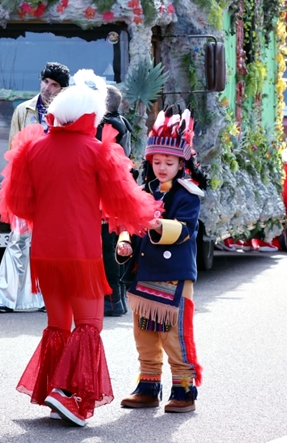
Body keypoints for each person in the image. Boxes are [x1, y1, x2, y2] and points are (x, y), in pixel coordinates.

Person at [0, 70, 160, 427]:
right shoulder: (97, 149)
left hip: (45, 249)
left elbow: (19, 204)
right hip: (81, 250)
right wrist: (151, 214)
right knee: (89, 323)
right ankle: (71, 395)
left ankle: (56, 392)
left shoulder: (32, 148)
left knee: (58, 324)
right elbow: (126, 204)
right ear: (90, 114)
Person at [116, 106, 205, 414]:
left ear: (182, 162)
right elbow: (128, 225)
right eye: (157, 161)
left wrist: (157, 226)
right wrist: (125, 243)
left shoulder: (187, 194)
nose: (162, 167)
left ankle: (183, 388)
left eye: (169, 162)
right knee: (144, 334)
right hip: (145, 274)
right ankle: (148, 385)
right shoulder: (144, 190)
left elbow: (186, 229)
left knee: (174, 335)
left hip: (173, 274)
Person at [0, 62, 70, 313]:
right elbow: (12, 150)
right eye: (45, 82)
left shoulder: (67, 114)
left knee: (48, 244)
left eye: (54, 85)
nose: (48, 88)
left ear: (62, 90)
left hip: (55, 189)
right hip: (25, 185)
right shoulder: (22, 110)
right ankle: (4, 299)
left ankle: (44, 298)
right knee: (17, 240)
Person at [96, 85, 133, 317]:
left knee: (107, 247)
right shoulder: (122, 122)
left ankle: (112, 301)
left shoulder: (106, 126)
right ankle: (118, 298)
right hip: (119, 187)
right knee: (115, 244)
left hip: (106, 190)